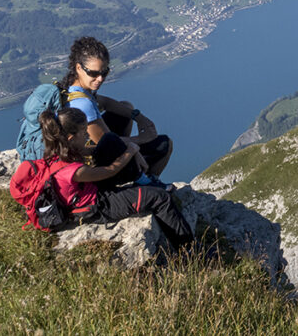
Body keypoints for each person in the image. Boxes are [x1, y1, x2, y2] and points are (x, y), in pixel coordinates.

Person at [38, 106, 193, 248]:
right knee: (160, 198)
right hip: (97, 205)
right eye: (84, 133)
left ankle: (139, 177)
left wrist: (122, 145)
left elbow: (91, 151)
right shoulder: (74, 171)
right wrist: (131, 150)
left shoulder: (58, 152)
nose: (87, 136)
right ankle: (190, 252)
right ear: (71, 138)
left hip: (89, 190)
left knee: (109, 139)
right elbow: (111, 170)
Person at [60, 36, 173, 188]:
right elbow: (107, 142)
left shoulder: (72, 89)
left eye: (104, 72)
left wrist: (138, 117)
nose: (100, 79)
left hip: (88, 153)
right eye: (94, 73)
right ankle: (146, 185)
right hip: (94, 170)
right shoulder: (83, 104)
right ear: (79, 68)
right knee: (164, 144)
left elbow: (107, 103)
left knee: (125, 107)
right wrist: (142, 140)